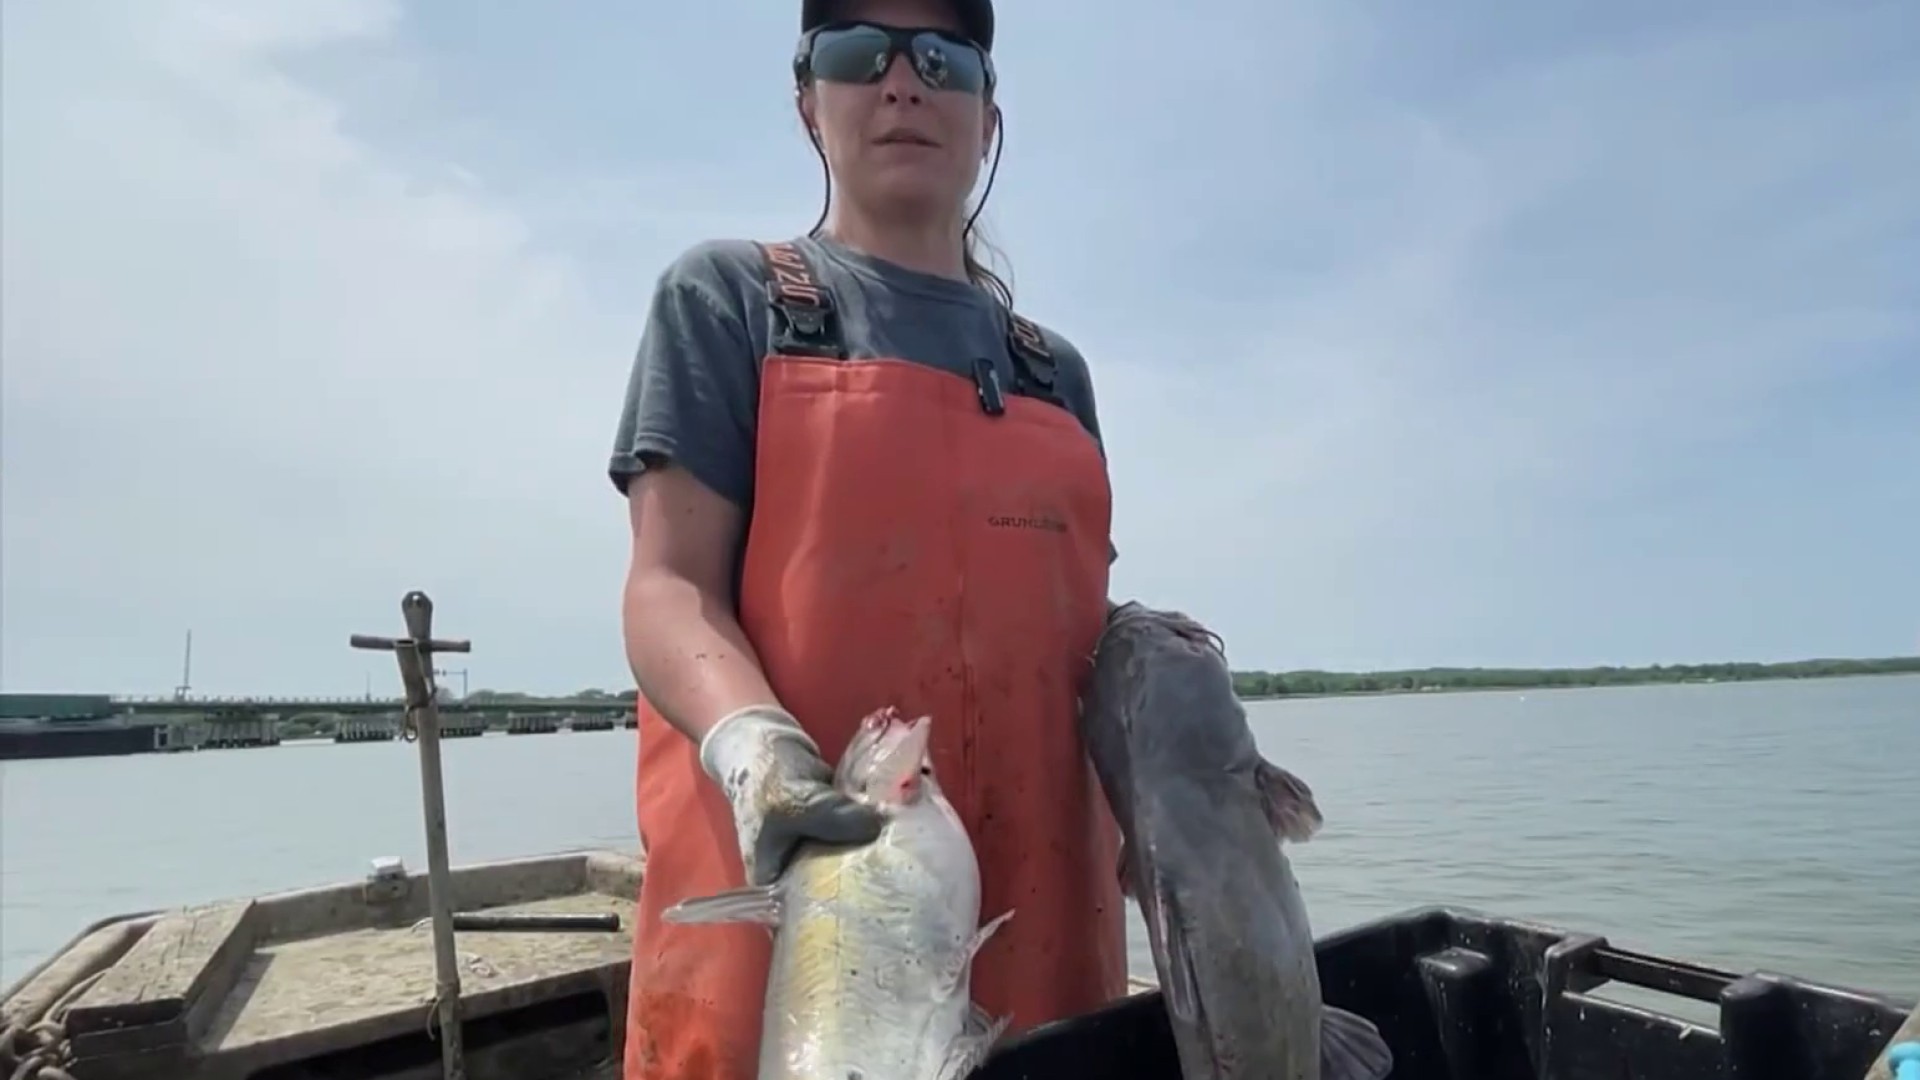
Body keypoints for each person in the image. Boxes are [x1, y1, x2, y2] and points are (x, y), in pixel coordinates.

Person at [609, 0, 1126, 1075]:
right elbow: (667, 588)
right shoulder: (727, 302)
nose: (903, 82)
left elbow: (1063, 627)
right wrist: (756, 748)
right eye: (858, 54)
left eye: (943, 59)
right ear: (808, 100)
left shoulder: (1056, 374)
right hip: (794, 964)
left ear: (988, 118)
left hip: (1048, 953)